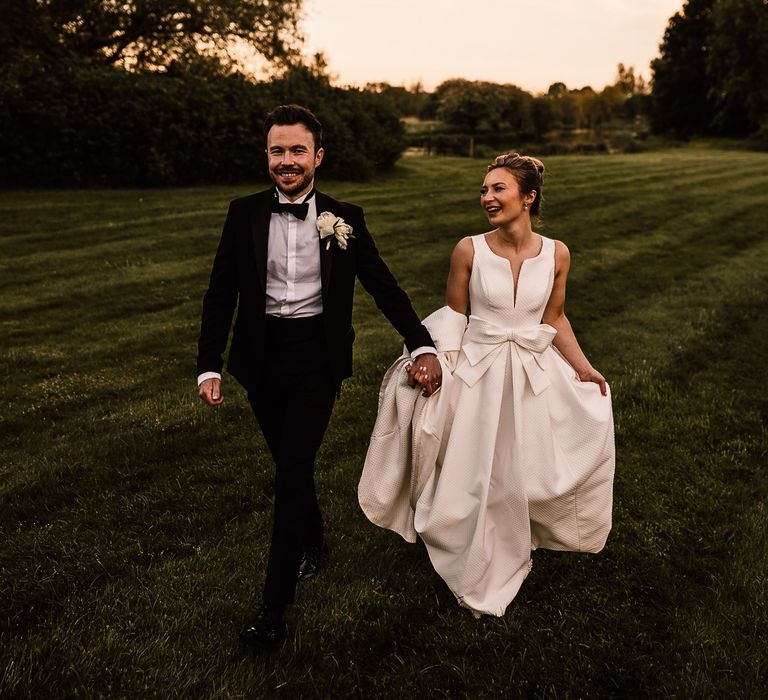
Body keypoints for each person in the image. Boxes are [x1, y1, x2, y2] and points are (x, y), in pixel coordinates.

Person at [196, 104, 442, 648]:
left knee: (290, 472)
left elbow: (383, 285)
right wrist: (209, 365)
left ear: (318, 156)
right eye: (277, 151)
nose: (286, 161)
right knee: (289, 462)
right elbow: (220, 295)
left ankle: (272, 609)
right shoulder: (243, 214)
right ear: (267, 156)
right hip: (260, 360)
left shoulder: (344, 218)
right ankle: (316, 537)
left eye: (297, 151)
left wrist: (420, 341)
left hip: (316, 361)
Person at [359, 153, 615, 617]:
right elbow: (455, 314)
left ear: (528, 197)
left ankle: (520, 533)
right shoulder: (469, 249)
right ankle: (474, 556)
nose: (487, 198)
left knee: (527, 464)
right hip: (478, 368)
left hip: (530, 373)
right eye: (484, 190)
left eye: (498, 189)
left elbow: (553, 317)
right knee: (475, 470)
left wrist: (582, 367)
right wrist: (436, 362)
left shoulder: (558, 253)